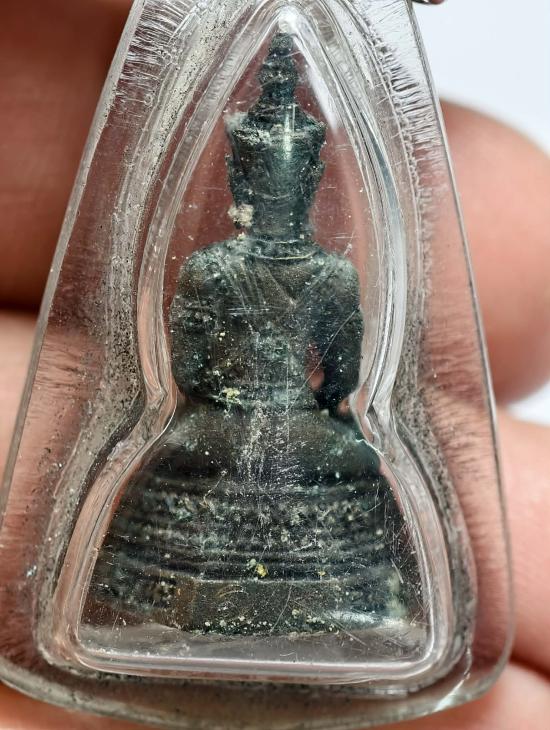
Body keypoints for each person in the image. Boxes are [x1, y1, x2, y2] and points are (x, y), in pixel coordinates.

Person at [0, 2, 549, 728]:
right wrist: (285, 405)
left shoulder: (281, 273)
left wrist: (281, 404)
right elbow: (256, 373)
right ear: (248, 176)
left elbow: (303, 372)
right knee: (283, 450)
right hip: (251, 421)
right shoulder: (251, 272)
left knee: (296, 451)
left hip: (249, 423)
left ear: (289, 177)